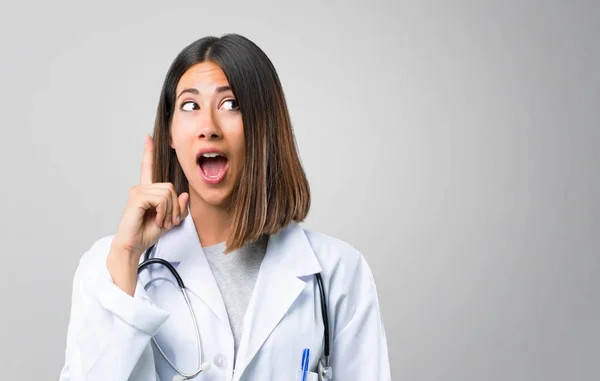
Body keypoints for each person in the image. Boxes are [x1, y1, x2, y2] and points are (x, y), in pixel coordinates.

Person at [59, 33, 391, 381]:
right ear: (170, 133)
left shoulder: (337, 272)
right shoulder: (107, 266)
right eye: (190, 106)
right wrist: (127, 256)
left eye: (231, 104)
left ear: (265, 126)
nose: (208, 128)